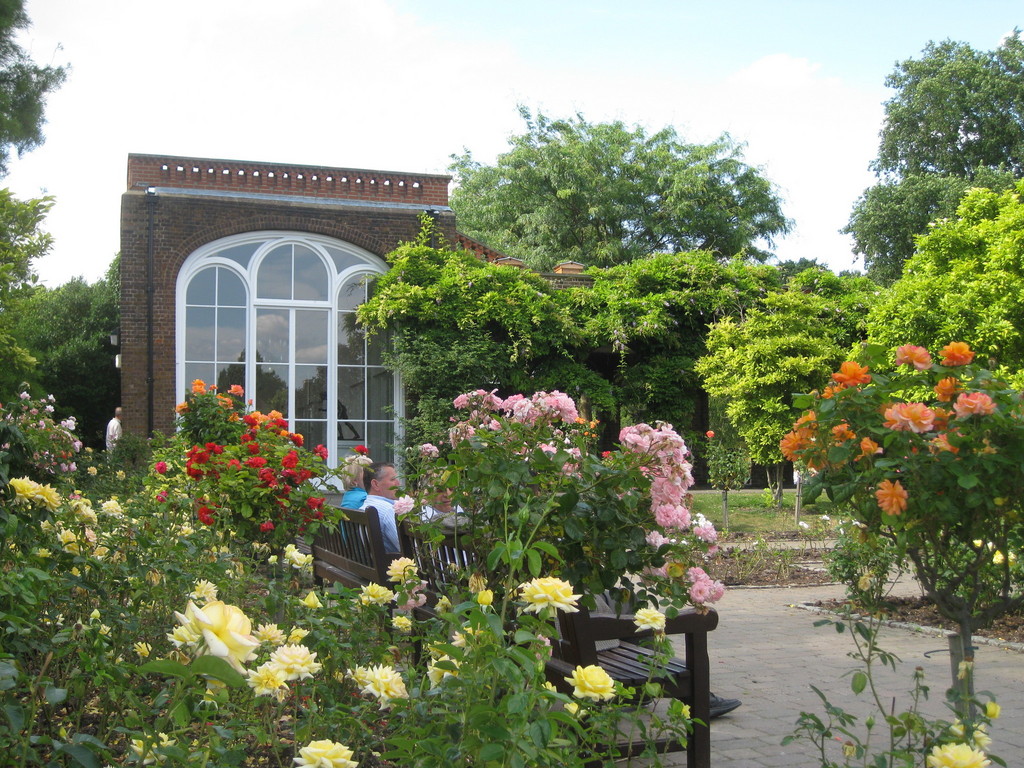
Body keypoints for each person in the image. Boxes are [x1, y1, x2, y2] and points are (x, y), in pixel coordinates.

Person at [359, 461, 401, 553]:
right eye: (393, 479)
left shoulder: (364, 507)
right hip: (394, 561)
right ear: (375, 484)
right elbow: (404, 546)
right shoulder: (387, 510)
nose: (398, 483)